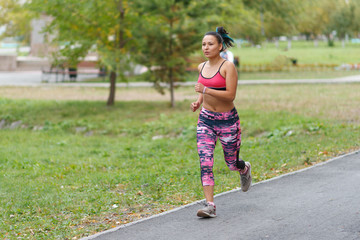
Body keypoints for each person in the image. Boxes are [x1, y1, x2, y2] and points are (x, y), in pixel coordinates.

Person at [191, 27, 252, 218]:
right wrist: (198, 101)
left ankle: (244, 168)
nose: (206, 47)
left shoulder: (228, 67)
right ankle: (210, 205)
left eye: (210, 44)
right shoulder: (201, 67)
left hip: (228, 121)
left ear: (220, 46)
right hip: (206, 120)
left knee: (231, 163)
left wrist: (206, 90)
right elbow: (202, 91)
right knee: (205, 161)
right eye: (203, 44)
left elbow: (230, 95)